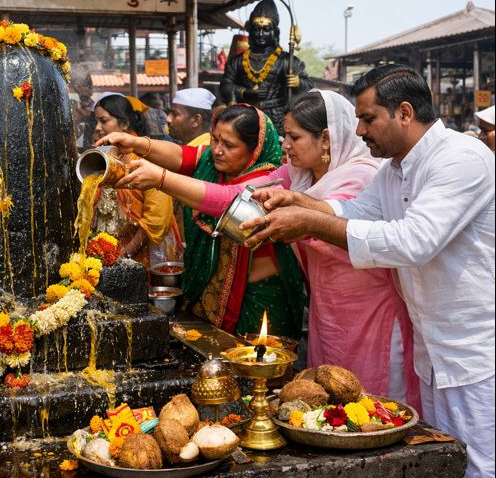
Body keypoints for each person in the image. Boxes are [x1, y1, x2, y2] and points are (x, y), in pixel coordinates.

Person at [241, 65, 494, 478]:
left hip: (473, 351)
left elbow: (414, 241)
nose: (358, 130)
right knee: (440, 458)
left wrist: (308, 222)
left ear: (405, 113)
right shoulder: (394, 168)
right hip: (433, 349)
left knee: (478, 464)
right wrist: (296, 200)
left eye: (368, 118)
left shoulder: (461, 159)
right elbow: (350, 211)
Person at [120, 89, 421, 407]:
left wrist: (161, 179)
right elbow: (233, 198)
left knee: (369, 403)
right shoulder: (297, 174)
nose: (285, 146)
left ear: (326, 140)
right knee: (327, 401)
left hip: (370, 314)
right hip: (327, 312)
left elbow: (327, 223)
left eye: (294, 137)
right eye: (285, 135)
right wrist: (161, 178)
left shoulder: (360, 177)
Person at [96, 104, 307, 339]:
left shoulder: (268, 180)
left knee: (258, 365)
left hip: (259, 296)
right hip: (212, 294)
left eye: (229, 145)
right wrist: (136, 143)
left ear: (254, 150)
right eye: (215, 139)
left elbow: (223, 199)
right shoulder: (211, 161)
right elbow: (181, 155)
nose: (217, 150)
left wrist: (161, 179)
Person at [90, 94, 180, 266]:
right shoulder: (101, 157)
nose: (98, 128)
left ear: (124, 124)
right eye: (96, 121)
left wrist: (123, 256)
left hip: (143, 259)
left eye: (104, 120)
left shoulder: (146, 161)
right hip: (104, 257)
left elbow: (156, 219)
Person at [219, 0, 313, 135]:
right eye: (257, 29)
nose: (261, 34)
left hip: (277, 118)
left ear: (275, 32)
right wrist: (243, 92)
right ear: (250, 31)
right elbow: (225, 85)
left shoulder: (287, 60)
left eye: (266, 29)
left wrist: (298, 82)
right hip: (245, 116)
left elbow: (309, 86)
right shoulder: (238, 61)